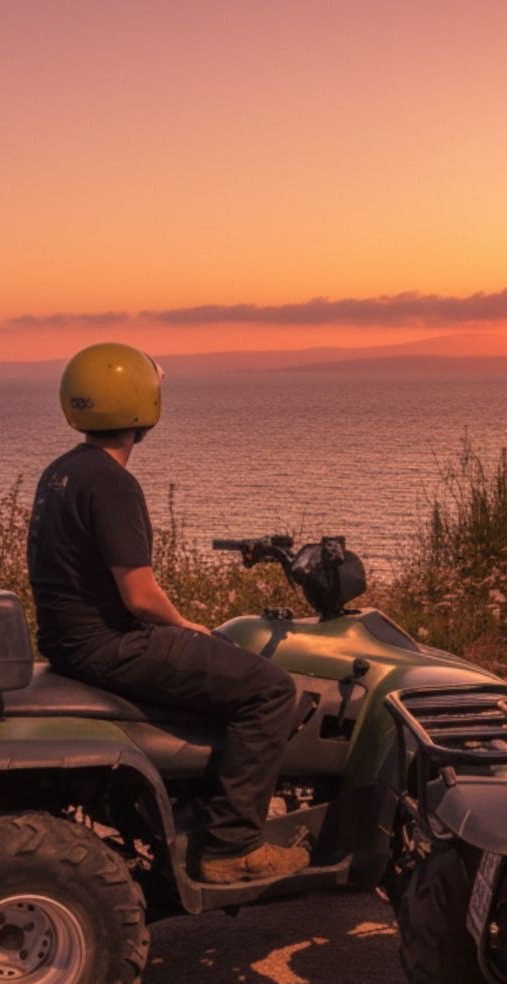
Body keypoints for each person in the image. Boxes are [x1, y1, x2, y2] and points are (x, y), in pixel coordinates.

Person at [26, 343, 308, 884]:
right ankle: (234, 846)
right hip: (111, 643)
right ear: (140, 407)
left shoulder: (61, 472)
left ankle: (201, 803)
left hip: (68, 642)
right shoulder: (113, 483)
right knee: (271, 689)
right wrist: (183, 624)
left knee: (221, 665)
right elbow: (139, 596)